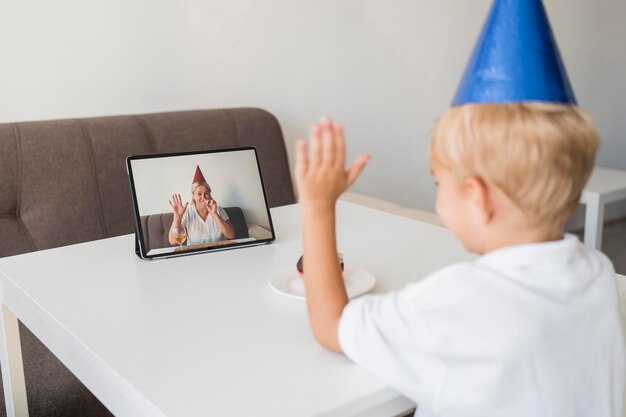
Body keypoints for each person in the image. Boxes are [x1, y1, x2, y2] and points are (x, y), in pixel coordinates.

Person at [294, 1, 625, 416]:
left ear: (478, 197)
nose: (437, 191)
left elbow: (331, 327)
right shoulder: (597, 272)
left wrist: (318, 206)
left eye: (439, 181)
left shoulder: (458, 302)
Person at [168, 165, 235, 245]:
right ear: (193, 196)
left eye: (206, 193)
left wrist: (214, 214)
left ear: (210, 195)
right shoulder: (187, 212)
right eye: (199, 194)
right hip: (196, 253)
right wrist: (177, 218)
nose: (203, 197)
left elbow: (231, 236)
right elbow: (173, 241)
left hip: (218, 251)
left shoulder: (218, 210)